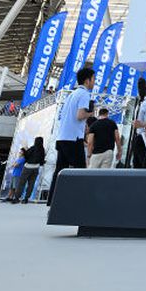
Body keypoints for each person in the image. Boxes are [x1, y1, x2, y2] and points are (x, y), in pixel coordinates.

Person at [48, 67, 94, 204]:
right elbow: (80, 115)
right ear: (87, 81)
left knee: (60, 171)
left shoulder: (71, 95)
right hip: (74, 139)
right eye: (93, 79)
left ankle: (52, 201)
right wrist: (91, 114)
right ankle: (80, 202)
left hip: (62, 137)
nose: (94, 82)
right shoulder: (85, 94)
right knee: (80, 171)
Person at [10, 138, 45, 203]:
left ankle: (17, 198)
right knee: (31, 184)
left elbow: (26, 156)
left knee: (21, 183)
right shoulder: (42, 150)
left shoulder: (33, 148)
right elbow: (42, 161)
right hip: (36, 168)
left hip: (28, 167)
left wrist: (24, 149)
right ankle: (26, 198)